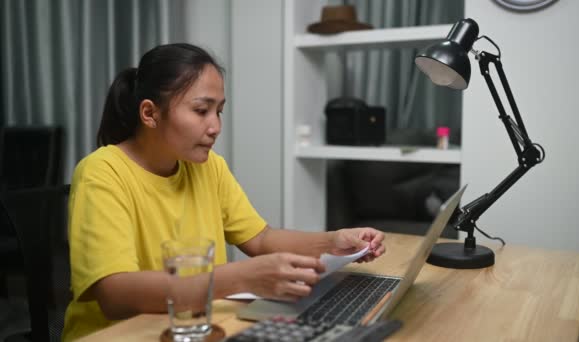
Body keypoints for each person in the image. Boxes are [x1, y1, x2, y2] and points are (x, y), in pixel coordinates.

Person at [62, 43, 386, 341]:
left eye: (219, 111)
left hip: (198, 331)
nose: (215, 126)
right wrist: (242, 277)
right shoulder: (101, 173)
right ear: (150, 113)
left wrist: (332, 242)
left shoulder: (208, 167)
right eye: (201, 110)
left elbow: (260, 239)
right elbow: (115, 295)